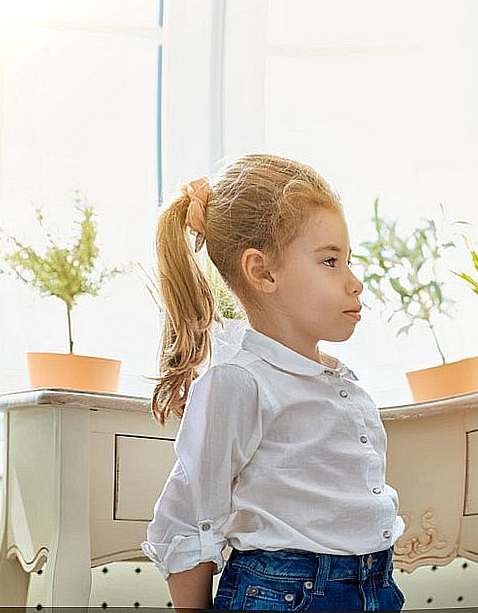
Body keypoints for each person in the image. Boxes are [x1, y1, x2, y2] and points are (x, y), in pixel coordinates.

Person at [141, 155, 406, 611]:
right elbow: (187, 519)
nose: (355, 283)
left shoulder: (341, 384)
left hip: (373, 587)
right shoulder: (239, 383)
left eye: (348, 262)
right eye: (330, 261)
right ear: (263, 272)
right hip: (286, 595)